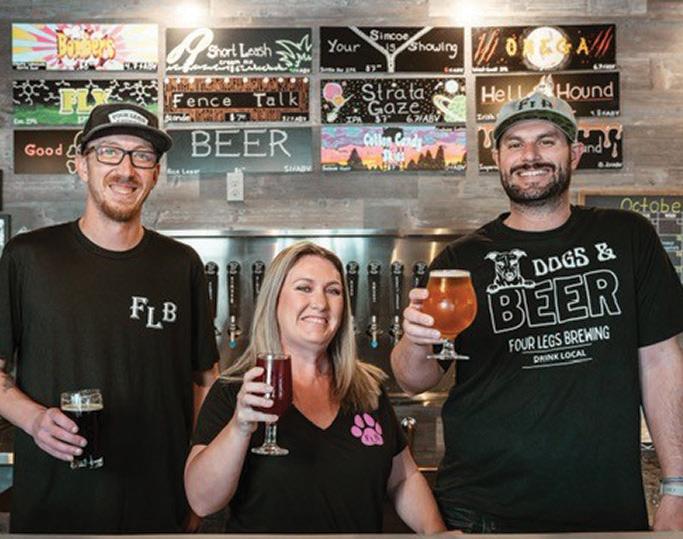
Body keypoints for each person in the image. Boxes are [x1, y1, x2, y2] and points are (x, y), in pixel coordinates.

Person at [392, 91, 683, 533]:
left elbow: (662, 362)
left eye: (547, 141)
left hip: (603, 507)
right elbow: (414, 379)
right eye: (515, 144)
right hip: (481, 509)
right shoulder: (460, 259)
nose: (530, 155)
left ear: (575, 153)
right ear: (497, 159)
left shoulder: (627, 236)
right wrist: (415, 341)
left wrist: (677, 485)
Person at [0, 103, 219, 533]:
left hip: (159, 509)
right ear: (82, 165)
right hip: (53, 509)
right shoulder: (27, 258)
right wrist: (33, 419)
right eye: (109, 152)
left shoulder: (182, 264)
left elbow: (205, 382)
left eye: (142, 156)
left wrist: (197, 489)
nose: (126, 169)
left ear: (155, 174)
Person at [185, 241, 445, 534]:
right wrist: (239, 427)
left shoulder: (366, 390)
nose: (320, 303)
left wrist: (437, 532)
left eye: (333, 291)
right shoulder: (234, 392)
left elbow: (403, 478)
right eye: (304, 288)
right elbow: (202, 502)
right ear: (274, 299)